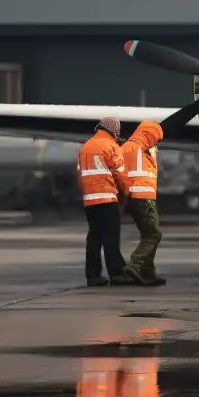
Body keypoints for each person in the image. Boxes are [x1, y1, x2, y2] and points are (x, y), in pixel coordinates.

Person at [76, 116, 131, 286]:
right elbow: (120, 175)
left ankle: (92, 275)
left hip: (90, 201)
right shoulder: (111, 146)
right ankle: (117, 273)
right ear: (114, 130)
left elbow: (79, 174)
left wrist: (85, 195)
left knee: (94, 238)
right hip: (107, 198)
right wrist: (124, 195)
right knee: (111, 238)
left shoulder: (85, 147)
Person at [120, 120, 166, 286]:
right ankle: (136, 264)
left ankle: (148, 272)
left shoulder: (130, 147)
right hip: (143, 196)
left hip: (135, 197)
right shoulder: (141, 147)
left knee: (148, 233)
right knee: (154, 234)